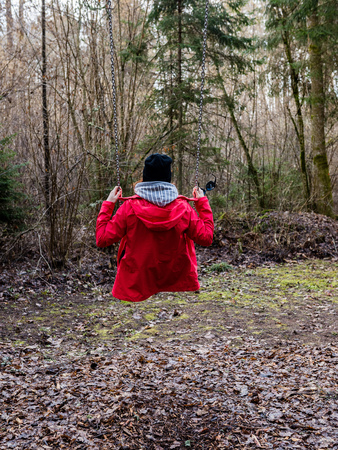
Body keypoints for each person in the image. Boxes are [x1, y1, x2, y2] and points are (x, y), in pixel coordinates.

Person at [96, 153, 214, 302]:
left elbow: (102, 239)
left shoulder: (129, 208)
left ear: (145, 177)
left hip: (139, 278)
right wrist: (202, 202)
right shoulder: (184, 208)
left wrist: (109, 204)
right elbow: (207, 238)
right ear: (168, 179)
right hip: (174, 274)